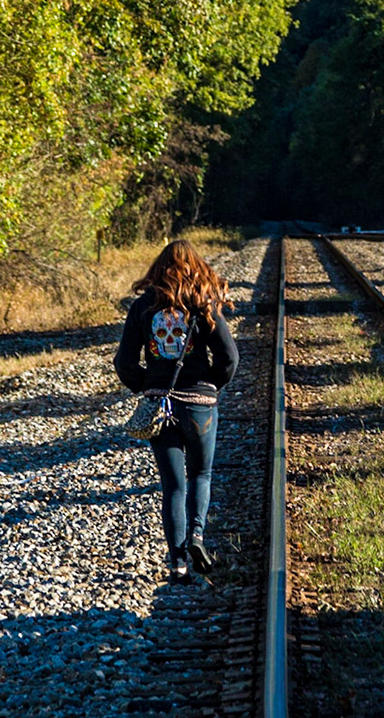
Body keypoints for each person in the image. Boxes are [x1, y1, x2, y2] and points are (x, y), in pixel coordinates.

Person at [115, 239, 239, 582]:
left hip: (161, 404)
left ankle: (179, 564)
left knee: (172, 485)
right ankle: (197, 536)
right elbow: (229, 358)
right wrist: (211, 385)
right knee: (200, 474)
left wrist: (148, 386)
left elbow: (124, 363)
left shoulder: (143, 307)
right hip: (200, 405)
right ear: (196, 269)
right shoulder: (204, 306)